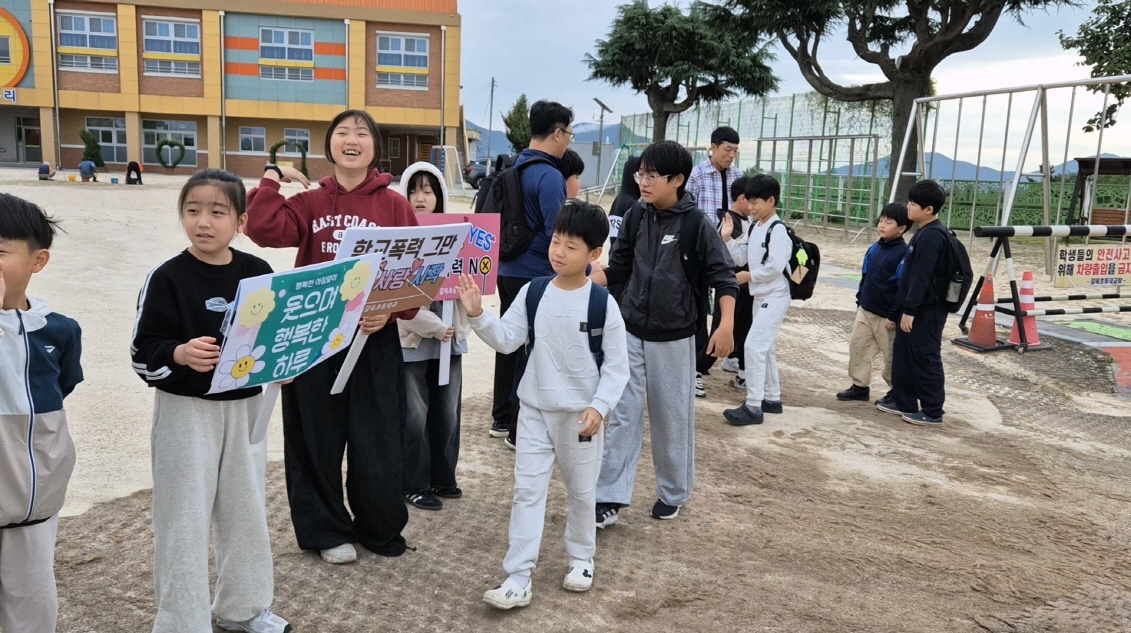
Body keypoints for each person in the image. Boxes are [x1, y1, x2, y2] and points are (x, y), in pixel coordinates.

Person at [245, 109, 419, 564]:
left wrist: (388, 310)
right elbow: (261, 228)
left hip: (372, 338)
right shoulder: (309, 202)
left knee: (377, 436)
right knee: (314, 439)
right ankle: (325, 530)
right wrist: (271, 177)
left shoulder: (395, 204)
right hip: (313, 339)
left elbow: (416, 276)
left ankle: (378, 526)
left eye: (362, 133)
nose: (352, 139)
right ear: (330, 146)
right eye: (342, 132)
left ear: (375, 147)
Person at [130, 170, 290, 633]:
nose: (204, 221)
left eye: (217, 212)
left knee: (246, 511)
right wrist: (178, 353)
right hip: (186, 411)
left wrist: (287, 361)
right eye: (193, 210)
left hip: (245, 409)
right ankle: (182, 621)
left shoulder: (257, 273)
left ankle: (243, 608)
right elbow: (143, 352)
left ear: (240, 220)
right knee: (183, 517)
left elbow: (275, 338)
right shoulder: (167, 277)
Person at [457, 201, 630, 610]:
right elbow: (506, 339)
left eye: (571, 246)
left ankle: (581, 557)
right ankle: (518, 576)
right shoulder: (534, 292)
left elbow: (618, 368)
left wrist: (600, 407)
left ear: (593, 255)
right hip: (534, 410)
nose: (558, 252)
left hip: (581, 417)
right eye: (555, 241)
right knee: (527, 492)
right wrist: (479, 315)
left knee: (583, 491)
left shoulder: (602, 304)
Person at [590, 140, 738, 525]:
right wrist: (584, 275)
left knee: (671, 417)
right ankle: (608, 497)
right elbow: (618, 269)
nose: (644, 181)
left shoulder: (695, 225)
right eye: (642, 174)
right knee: (622, 413)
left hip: (674, 337)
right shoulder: (637, 216)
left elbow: (723, 278)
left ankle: (673, 491)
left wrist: (725, 325)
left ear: (678, 180)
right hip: (630, 331)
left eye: (653, 176)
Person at [0, 194, 82, 633]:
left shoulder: (58, 330)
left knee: (30, 600)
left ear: (38, 260)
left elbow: (62, 387)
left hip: (33, 503)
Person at [492, 100, 574, 448]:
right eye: (568, 132)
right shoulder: (550, 175)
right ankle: (516, 427)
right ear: (557, 132)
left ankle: (500, 418)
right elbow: (560, 233)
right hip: (536, 274)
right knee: (531, 348)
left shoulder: (514, 165)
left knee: (506, 342)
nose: (568, 139)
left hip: (505, 269)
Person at [397, 161, 469, 511]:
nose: (420, 197)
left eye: (428, 190)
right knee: (414, 414)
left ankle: (444, 476)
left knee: (448, 412)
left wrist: (455, 327)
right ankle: (414, 482)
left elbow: (470, 284)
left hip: (450, 340)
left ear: (440, 196)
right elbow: (399, 298)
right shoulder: (397, 236)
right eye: (413, 189)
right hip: (411, 339)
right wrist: (435, 327)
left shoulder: (459, 236)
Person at [879, 180, 951, 426]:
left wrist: (910, 311)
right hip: (913, 307)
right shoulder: (923, 232)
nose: (908, 208)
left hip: (927, 310)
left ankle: (933, 411)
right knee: (904, 354)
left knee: (925, 357)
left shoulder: (933, 236)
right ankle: (904, 401)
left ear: (928, 209)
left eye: (913, 204)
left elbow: (921, 278)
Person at [723, 174, 791, 427]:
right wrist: (728, 238)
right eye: (748, 201)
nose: (750, 207)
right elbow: (742, 256)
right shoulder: (755, 226)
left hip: (774, 294)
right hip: (760, 294)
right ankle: (772, 399)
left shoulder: (777, 229)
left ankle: (753, 404)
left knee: (753, 346)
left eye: (755, 202)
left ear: (771, 201)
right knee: (766, 348)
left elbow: (775, 266)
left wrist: (750, 276)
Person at [686, 126, 742, 399]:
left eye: (734, 151)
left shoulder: (738, 176)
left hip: (729, 251)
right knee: (698, 309)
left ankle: (725, 356)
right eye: (726, 150)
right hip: (700, 250)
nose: (730, 156)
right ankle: (695, 371)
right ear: (713, 147)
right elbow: (688, 210)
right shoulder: (696, 175)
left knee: (728, 304)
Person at [836, 203, 911, 406]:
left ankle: (897, 392)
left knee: (891, 357)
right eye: (881, 220)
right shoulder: (875, 247)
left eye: (889, 222)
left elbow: (902, 288)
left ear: (902, 228)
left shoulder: (904, 254)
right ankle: (860, 386)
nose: (882, 225)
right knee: (858, 346)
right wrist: (860, 300)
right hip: (866, 310)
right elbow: (865, 275)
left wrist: (893, 315)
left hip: (886, 317)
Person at [710, 176, 755, 390]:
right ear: (743, 199)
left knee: (743, 329)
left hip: (745, 288)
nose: (754, 206)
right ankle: (698, 370)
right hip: (731, 287)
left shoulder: (747, 222)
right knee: (722, 330)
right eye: (753, 201)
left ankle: (737, 364)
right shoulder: (729, 223)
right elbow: (740, 256)